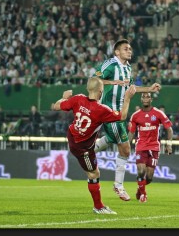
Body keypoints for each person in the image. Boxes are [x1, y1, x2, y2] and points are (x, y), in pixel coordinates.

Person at [51, 77, 137, 215]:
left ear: (88, 89)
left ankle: (99, 205)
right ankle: (98, 207)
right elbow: (122, 116)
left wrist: (63, 98)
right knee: (94, 173)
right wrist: (127, 98)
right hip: (83, 148)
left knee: (93, 171)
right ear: (101, 91)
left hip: (73, 137)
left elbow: (56, 106)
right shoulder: (101, 109)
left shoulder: (78, 98)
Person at [93, 38, 161, 201]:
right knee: (125, 149)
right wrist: (112, 82)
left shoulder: (128, 68)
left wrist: (148, 89)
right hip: (109, 111)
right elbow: (94, 81)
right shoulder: (110, 64)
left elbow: (131, 89)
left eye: (130, 48)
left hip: (120, 112)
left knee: (111, 140)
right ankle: (118, 186)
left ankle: (88, 150)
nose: (129, 51)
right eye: (125, 49)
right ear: (117, 52)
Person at [127, 92, 173, 203]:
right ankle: (143, 194)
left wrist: (169, 144)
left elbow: (169, 129)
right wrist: (127, 146)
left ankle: (140, 188)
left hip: (154, 147)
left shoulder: (158, 113)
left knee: (149, 177)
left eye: (148, 97)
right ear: (141, 99)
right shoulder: (135, 115)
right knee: (141, 171)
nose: (145, 99)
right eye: (143, 97)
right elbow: (131, 133)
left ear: (151, 99)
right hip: (141, 146)